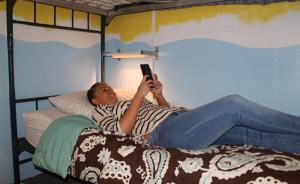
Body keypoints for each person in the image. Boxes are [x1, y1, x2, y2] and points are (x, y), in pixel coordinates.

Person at [87, 74, 300, 153]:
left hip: (180, 122)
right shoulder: (100, 111)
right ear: (95, 100)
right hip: (164, 134)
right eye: (104, 89)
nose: (110, 90)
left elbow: (164, 111)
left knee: (250, 134)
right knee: (233, 105)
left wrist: (159, 95)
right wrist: (138, 96)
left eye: (109, 86)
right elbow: (121, 131)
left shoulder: (130, 102)